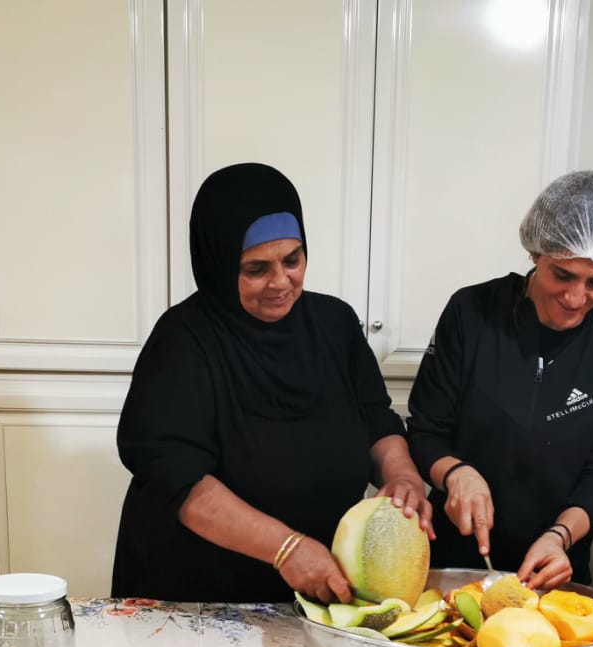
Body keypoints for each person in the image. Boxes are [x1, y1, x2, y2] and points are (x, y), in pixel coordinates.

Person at [113, 163, 431, 603]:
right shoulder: (183, 341)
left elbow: (375, 419)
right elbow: (177, 479)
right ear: (218, 264)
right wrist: (285, 548)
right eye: (256, 268)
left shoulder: (335, 324)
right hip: (198, 595)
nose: (281, 282)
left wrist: (403, 477)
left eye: (293, 260)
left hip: (316, 584)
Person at [406, 170, 593, 590]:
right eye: (562, 275)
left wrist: (560, 537)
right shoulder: (472, 313)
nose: (576, 299)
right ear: (536, 252)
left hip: (553, 569)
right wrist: (457, 473)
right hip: (452, 561)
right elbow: (426, 431)